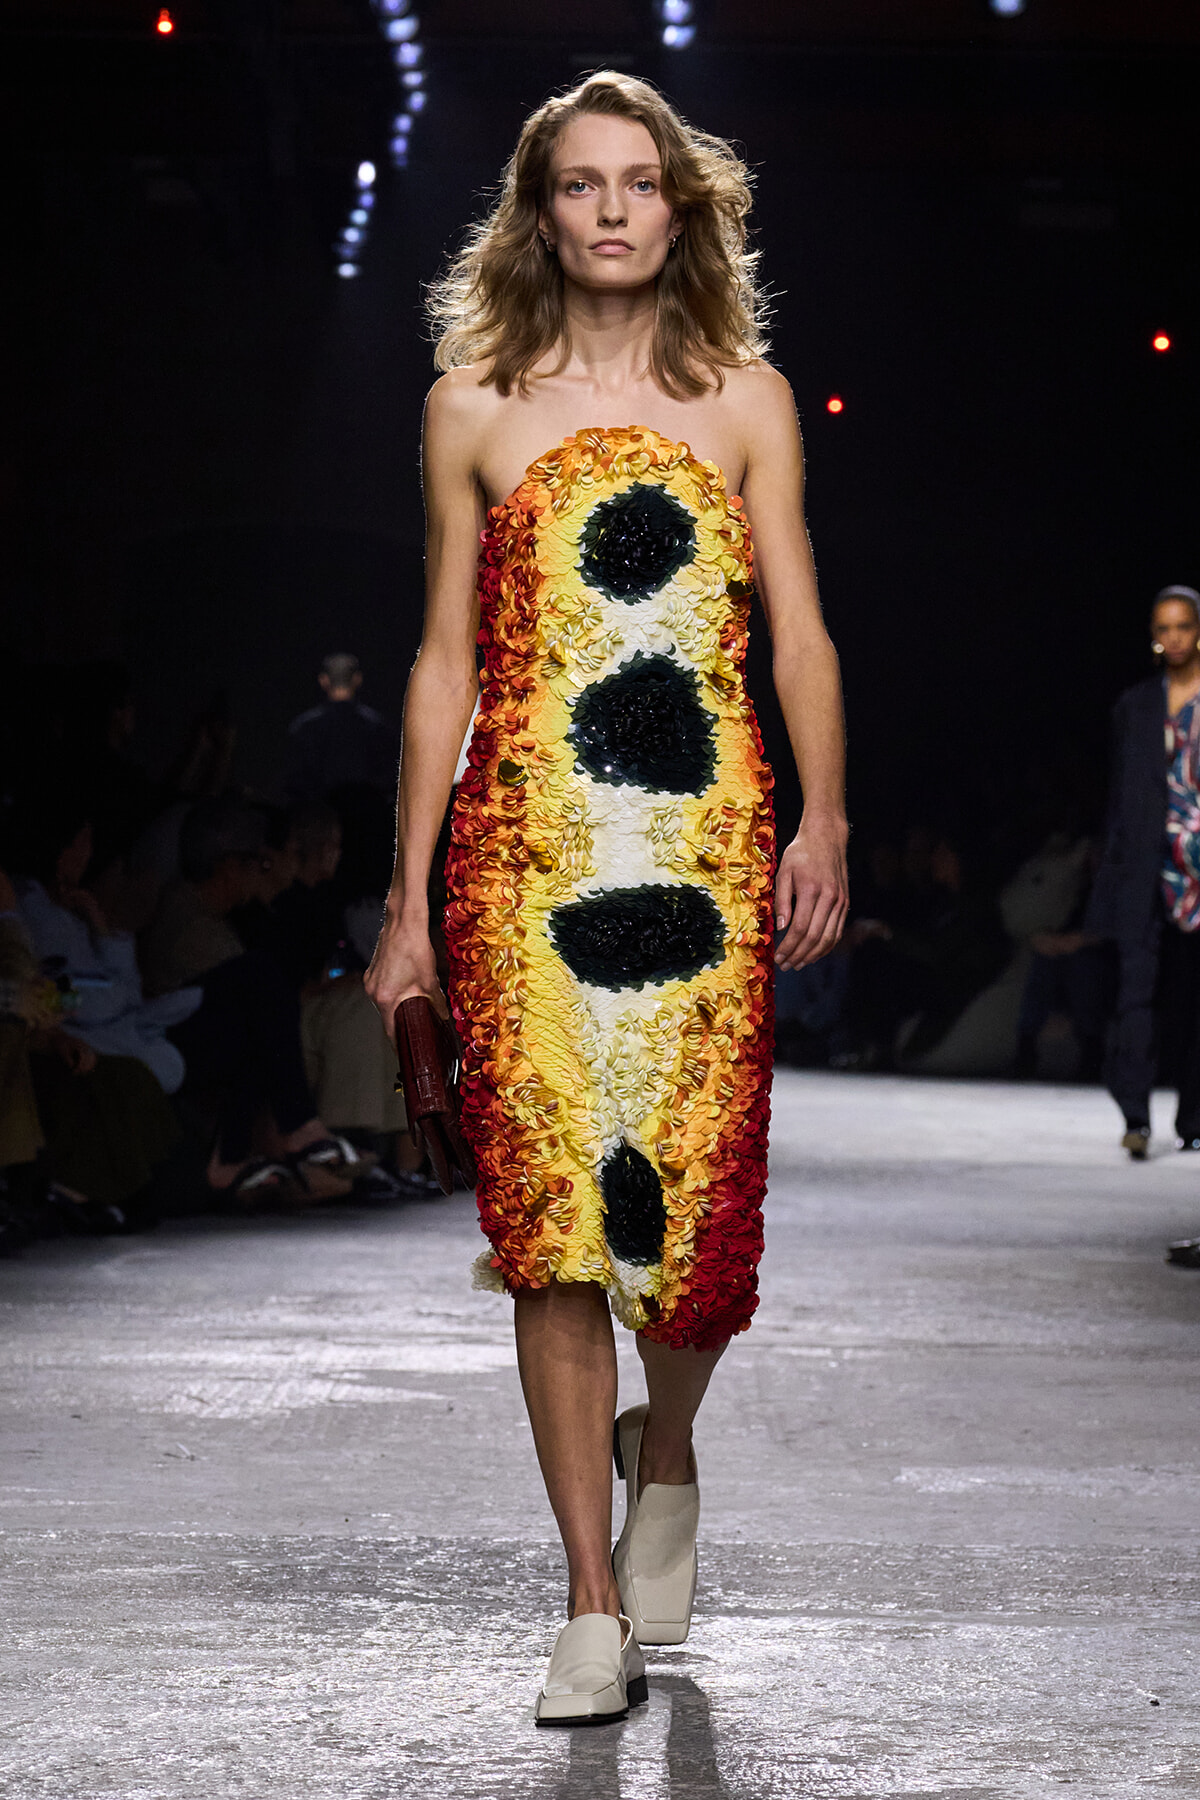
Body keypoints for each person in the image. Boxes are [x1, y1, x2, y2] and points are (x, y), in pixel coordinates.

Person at [366, 73, 848, 1724]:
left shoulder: (750, 401)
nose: (617, 210)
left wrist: (828, 818)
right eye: (584, 185)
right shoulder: (472, 406)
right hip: (524, 856)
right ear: (542, 211)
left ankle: (674, 1446)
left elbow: (797, 638)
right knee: (552, 1231)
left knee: (696, 1239)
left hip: (707, 856)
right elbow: (442, 663)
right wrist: (407, 900)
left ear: (683, 206)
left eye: (643, 181)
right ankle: (584, 1605)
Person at [1086, 585, 1200, 1158]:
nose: (1173, 637)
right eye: (1164, 627)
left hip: (1199, 864)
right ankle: (1136, 1116)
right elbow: (1120, 798)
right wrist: (1112, 873)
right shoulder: (1135, 705)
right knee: (1135, 992)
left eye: (1183, 626)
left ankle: (1195, 1119)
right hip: (1145, 868)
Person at [282, 653, 399, 806]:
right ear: (357, 679)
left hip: (320, 820)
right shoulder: (378, 727)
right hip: (367, 818)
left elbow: (294, 783)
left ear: (323, 680)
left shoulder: (304, 728)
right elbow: (389, 779)